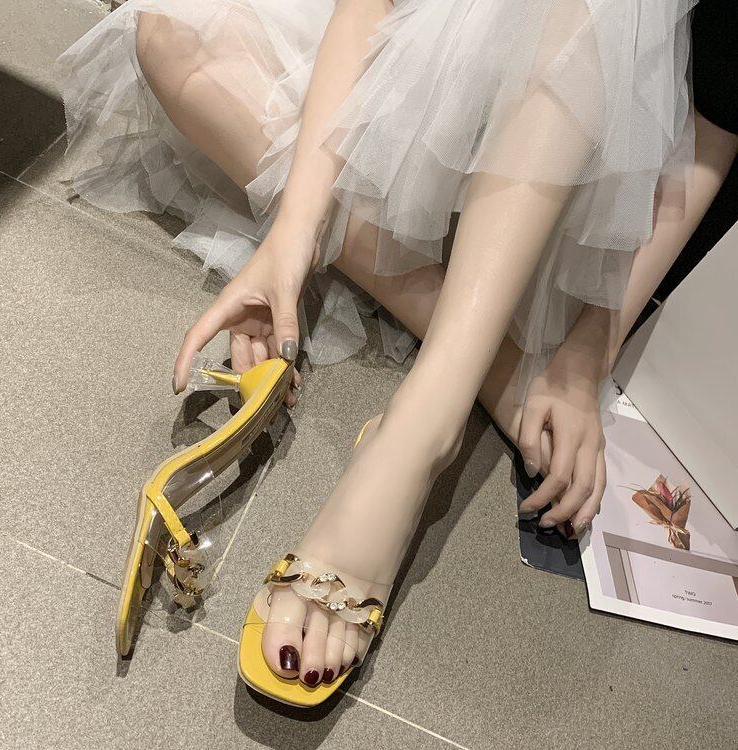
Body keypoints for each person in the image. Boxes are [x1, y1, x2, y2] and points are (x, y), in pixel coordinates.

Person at [58, 0, 729, 703]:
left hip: (579, 146)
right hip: (427, 72)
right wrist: (293, 231)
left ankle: (419, 431)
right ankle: (490, 364)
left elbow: (717, 121)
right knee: (170, 38)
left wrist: (591, 348)